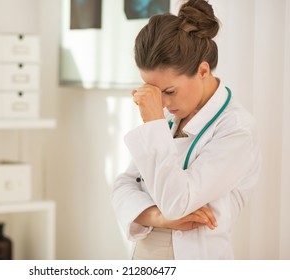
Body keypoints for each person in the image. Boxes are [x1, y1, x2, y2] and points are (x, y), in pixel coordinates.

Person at [111, 0, 261, 259]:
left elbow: (177, 201)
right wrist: (158, 217)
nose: (163, 104)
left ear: (203, 70)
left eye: (169, 91)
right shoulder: (169, 119)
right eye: (155, 93)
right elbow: (123, 185)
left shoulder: (236, 129)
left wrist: (153, 124)